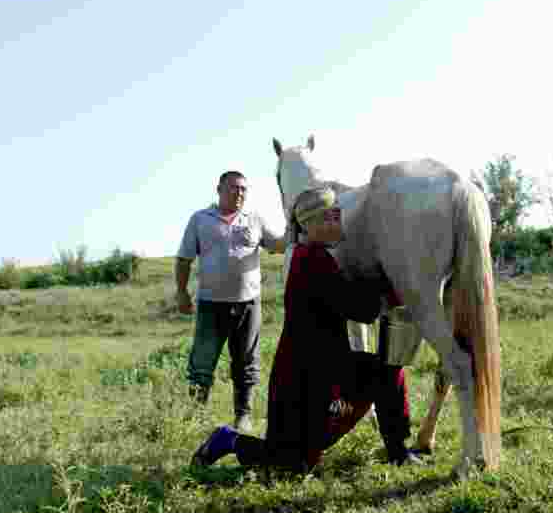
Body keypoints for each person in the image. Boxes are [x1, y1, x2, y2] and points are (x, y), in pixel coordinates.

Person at [191, 188, 424, 473]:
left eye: (338, 216)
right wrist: (385, 281)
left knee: (385, 373)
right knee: (293, 463)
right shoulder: (313, 261)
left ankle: (398, 450)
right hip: (303, 382)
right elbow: (360, 310)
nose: (339, 223)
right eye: (333, 217)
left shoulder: (314, 256)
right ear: (311, 224)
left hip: (329, 367)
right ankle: (226, 439)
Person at [176, 170, 286, 432]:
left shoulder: (254, 219)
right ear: (219, 189)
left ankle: (243, 416)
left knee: (246, 363)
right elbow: (184, 259)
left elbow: (278, 245)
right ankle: (196, 416)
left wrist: (294, 225)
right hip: (211, 304)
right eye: (234, 188)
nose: (239, 193)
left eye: (243, 189)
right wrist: (181, 292)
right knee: (202, 363)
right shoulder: (201, 219)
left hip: (248, 303)